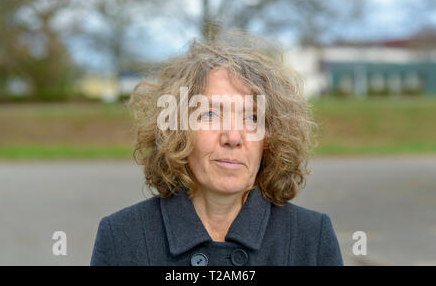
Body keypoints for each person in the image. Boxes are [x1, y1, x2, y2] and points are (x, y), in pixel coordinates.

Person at [90, 30, 343, 266]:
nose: (233, 137)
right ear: (177, 131)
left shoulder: (311, 239)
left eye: (252, 118)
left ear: (271, 139)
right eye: (210, 114)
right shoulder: (121, 238)